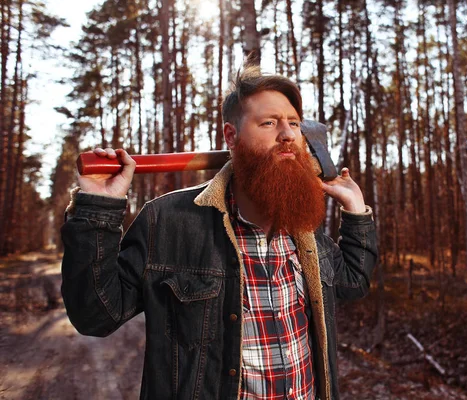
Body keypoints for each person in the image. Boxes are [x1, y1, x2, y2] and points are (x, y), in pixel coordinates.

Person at [61, 67, 378, 400]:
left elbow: (352, 283)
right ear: (231, 136)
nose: (287, 134)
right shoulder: (168, 221)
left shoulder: (301, 221)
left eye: (294, 123)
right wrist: (98, 207)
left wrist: (356, 210)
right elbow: (95, 316)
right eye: (269, 123)